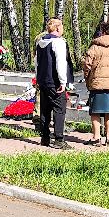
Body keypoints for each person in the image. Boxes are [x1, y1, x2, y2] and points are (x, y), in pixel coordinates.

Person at [34, 17, 77, 149]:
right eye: (62, 26)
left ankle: (45, 137)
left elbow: (36, 62)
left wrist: (37, 78)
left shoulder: (40, 42)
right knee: (59, 109)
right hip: (55, 81)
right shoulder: (58, 42)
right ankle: (59, 139)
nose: (62, 29)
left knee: (45, 110)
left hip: (43, 80)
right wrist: (63, 82)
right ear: (58, 28)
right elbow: (60, 63)